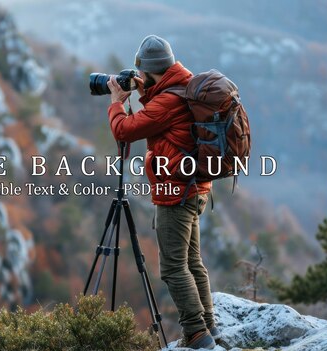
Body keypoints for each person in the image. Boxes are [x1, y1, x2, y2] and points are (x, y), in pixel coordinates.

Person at [106, 34, 219, 350]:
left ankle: (197, 334)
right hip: (195, 188)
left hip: (175, 193)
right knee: (192, 261)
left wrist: (117, 102)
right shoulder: (182, 88)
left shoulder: (167, 101)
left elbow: (125, 130)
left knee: (172, 267)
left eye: (140, 72)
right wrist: (142, 90)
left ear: (149, 70)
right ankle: (209, 328)